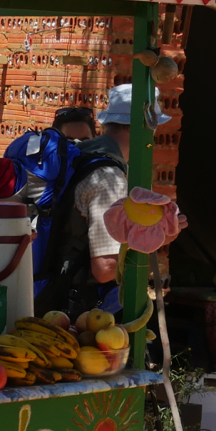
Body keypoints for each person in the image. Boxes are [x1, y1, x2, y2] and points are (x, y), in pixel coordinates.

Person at [36, 83, 165, 315]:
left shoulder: (84, 154)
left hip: (57, 295)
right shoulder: (109, 181)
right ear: (146, 127)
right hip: (81, 310)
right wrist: (156, 235)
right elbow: (105, 269)